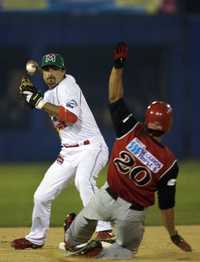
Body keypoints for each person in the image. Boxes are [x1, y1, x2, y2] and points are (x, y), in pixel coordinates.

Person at [61, 43, 192, 259]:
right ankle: (103, 251)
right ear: (168, 125)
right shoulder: (169, 163)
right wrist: (174, 235)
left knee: (70, 243)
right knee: (125, 251)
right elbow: (166, 206)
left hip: (104, 198)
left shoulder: (130, 128)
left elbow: (114, 96)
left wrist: (118, 66)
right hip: (132, 213)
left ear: (147, 119)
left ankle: (76, 236)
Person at [11, 53, 113, 249]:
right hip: (68, 152)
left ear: (63, 71)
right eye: (46, 69)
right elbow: (60, 125)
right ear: (42, 73)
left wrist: (38, 102)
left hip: (92, 146)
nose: (50, 73)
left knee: (83, 180)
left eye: (54, 69)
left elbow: (71, 117)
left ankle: (104, 228)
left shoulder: (69, 85)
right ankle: (36, 238)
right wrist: (31, 99)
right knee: (41, 195)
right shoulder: (49, 95)